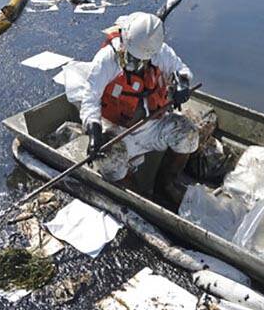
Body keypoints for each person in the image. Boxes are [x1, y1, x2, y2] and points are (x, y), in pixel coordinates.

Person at [79, 12, 198, 207]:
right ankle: (139, 201)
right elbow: (90, 97)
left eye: (143, 59)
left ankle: (165, 186)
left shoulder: (158, 51)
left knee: (188, 134)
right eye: (133, 58)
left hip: (154, 124)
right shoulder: (107, 59)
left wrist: (182, 85)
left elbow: (181, 70)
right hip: (119, 131)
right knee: (109, 161)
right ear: (125, 41)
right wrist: (93, 131)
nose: (138, 63)